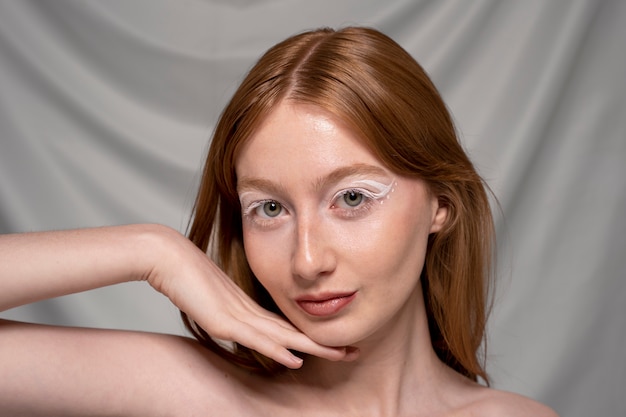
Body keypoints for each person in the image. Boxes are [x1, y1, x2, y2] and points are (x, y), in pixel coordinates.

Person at [0, 26, 557, 416]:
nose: (307, 261)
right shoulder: (189, 394)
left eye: (353, 198)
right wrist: (150, 250)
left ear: (440, 205)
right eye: (269, 209)